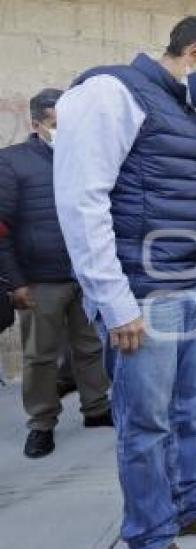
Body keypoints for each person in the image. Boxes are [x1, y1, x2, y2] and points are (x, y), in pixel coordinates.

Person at [54, 15, 196, 549]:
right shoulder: (111, 93)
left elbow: (193, 209)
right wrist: (115, 303)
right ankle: (150, 539)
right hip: (144, 296)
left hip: (192, 290)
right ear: (194, 54)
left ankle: (192, 504)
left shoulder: (184, 115)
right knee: (146, 426)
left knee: (192, 411)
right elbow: (81, 203)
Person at [0, 88, 112, 459]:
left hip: (85, 273)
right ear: (36, 125)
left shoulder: (85, 159)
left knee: (90, 347)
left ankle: (96, 408)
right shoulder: (12, 163)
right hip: (38, 280)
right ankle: (42, 423)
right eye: (56, 125)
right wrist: (15, 282)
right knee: (41, 356)